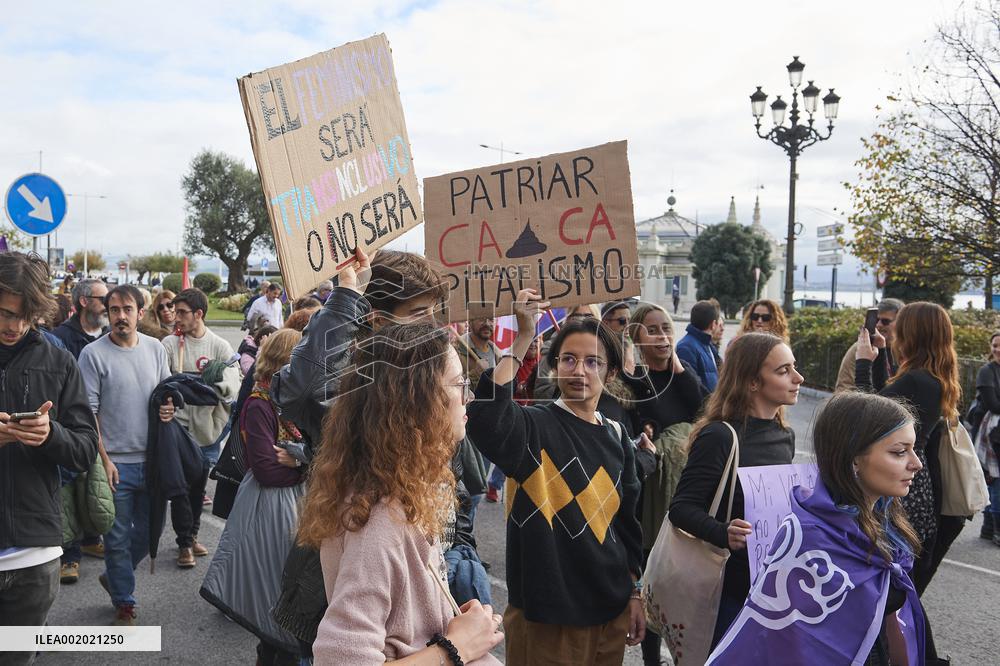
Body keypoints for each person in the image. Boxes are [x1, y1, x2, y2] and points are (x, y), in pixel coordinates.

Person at [270, 248, 450, 657]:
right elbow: (300, 388)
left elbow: (453, 485)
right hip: (333, 592)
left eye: (435, 312)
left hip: (416, 598)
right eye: (420, 313)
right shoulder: (355, 387)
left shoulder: (433, 382)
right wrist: (348, 296)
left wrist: (460, 557)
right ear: (378, 319)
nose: (434, 327)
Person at [298, 323, 501, 665]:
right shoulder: (380, 523)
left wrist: (455, 626)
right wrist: (455, 649)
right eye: (458, 384)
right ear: (417, 403)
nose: (468, 396)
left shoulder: (401, 491)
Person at [467, 289, 645, 665]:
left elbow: (628, 525)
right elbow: (485, 416)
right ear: (554, 366)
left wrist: (635, 593)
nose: (579, 371)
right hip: (548, 615)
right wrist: (524, 335)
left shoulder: (617, 437)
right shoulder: (532, 427)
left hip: (610, 609)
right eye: (569, 359)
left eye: (593, 362)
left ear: (612, 373)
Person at [707, 392, 925, 665]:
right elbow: (775, 640)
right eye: (899, 452)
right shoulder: (805, 537)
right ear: (853, 458)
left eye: (913, 449)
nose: (916, 463)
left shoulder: (888, 523)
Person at [669, 332, 802, 649]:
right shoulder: (720, 436)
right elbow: (681, 507)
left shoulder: (785, 435)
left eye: (793, 367)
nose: (798, 378)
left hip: (772, 588)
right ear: (752, 382)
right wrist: (722, 532)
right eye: (783, 371)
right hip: (725, 591)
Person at [0, 252, 98, 654]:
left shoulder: (60, 362)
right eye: (5, 312)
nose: (13, 326)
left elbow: (85, 449)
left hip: (33, 554)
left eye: (25, 316)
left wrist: (50, 435)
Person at [855, 301, 962, 664]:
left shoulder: (916, 379)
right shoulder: (932, 378)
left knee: (897, 592)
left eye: (901, 325)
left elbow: (868, 416)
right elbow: (893, 402)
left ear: (914, 332)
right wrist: (883, 361)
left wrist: (863, 362)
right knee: (902, 590)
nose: (894, 330)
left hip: (900, 493)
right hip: (920, 491)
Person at [201, 329, 306, 665]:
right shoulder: (260, 404)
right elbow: (265, 468)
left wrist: (301, 458)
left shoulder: (295, 402)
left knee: (287, 595)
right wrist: (305, 467)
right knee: (272, 593)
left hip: (291, 508)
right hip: (267, 511)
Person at [77, 285, 173, 626]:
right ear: (107, 312)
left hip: (152, 462)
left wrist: (169, 409)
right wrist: (104, 461)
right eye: (114, 309)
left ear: (140, 313)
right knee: (115, 539)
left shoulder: (156, 349)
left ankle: (115, 577)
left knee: (151, 533)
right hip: (114, 463)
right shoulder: (92, 355)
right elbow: (88, 414)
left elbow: (166, 394)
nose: (120, 316)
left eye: (127, 309)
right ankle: (124, 601)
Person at [624, 303, 708, 664]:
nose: (662, 336)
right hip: (650, 494)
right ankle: (650, 657)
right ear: (636, 336)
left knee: (683, 577)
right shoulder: (630, 380)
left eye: (666, 329)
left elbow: (705, 409)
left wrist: (677, 366)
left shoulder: (684, 372)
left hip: (685, 490)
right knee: (652, 575)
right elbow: (636, 424)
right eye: (653, 330)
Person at [161, 288, 240, 566]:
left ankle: (192, 536)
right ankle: (184, 543)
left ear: (199, 314)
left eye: (182, 313)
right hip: (177, 430)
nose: (176, 318)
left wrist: (213, 381)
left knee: (197, 489)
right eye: (175, 312)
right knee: (180, 489)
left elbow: (232, 388)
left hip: (206, 433)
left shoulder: (219, 346)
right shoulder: (169, 345)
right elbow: (161, 385)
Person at [454, 315, 502, 503]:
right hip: (466, 431)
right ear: (470, 321)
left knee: (478, 490)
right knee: (469, 494)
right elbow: (451, 387)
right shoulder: (458, 348)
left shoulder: (494, 351)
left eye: (491, 319)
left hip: (488, 427)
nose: (487, 324)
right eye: (481, 319)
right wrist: (476, 373)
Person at [836, 298, 902, 393]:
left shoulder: (906, 350)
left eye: (885, 321)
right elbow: (844, 387)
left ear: (900, 323)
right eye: (876, 320)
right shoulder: (861, 349)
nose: (879, 325)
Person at [973, 331, 1000, 545]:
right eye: (994, 345)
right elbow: (993, 404)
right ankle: (995, 529)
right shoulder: (986, 371)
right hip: (989, 433)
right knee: (995, 479)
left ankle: (988, 527)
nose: (997, 349)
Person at [52, 278, 109, 359]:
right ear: (84, 301)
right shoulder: (59, 339)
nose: (108, 305)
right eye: (104, 300)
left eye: (109, 299)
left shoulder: (113, 335)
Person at [675, 300, 722, 391]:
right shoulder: (686, 347)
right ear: (713, 324)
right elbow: (688, 386)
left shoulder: (709, 345)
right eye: (717, 324)